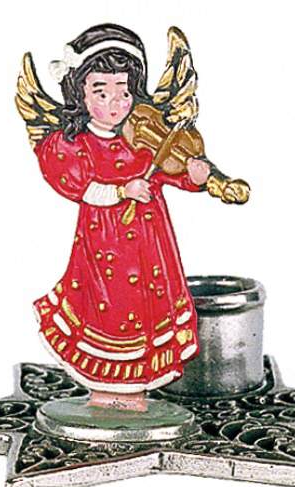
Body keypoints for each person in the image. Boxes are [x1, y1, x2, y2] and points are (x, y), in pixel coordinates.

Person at [32, 24, 210, 411]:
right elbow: (78, 187)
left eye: (123, 92)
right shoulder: (74, 144)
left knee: (147, 311)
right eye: (101, 92)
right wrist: (121, 192)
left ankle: (134, 392)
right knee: (109, 311)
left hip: (150, 248)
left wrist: (195, 175)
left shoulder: (142, 136)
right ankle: (107, 390)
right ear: (79, 93)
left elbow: (171, 171)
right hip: (105, 249)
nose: (115, 104)